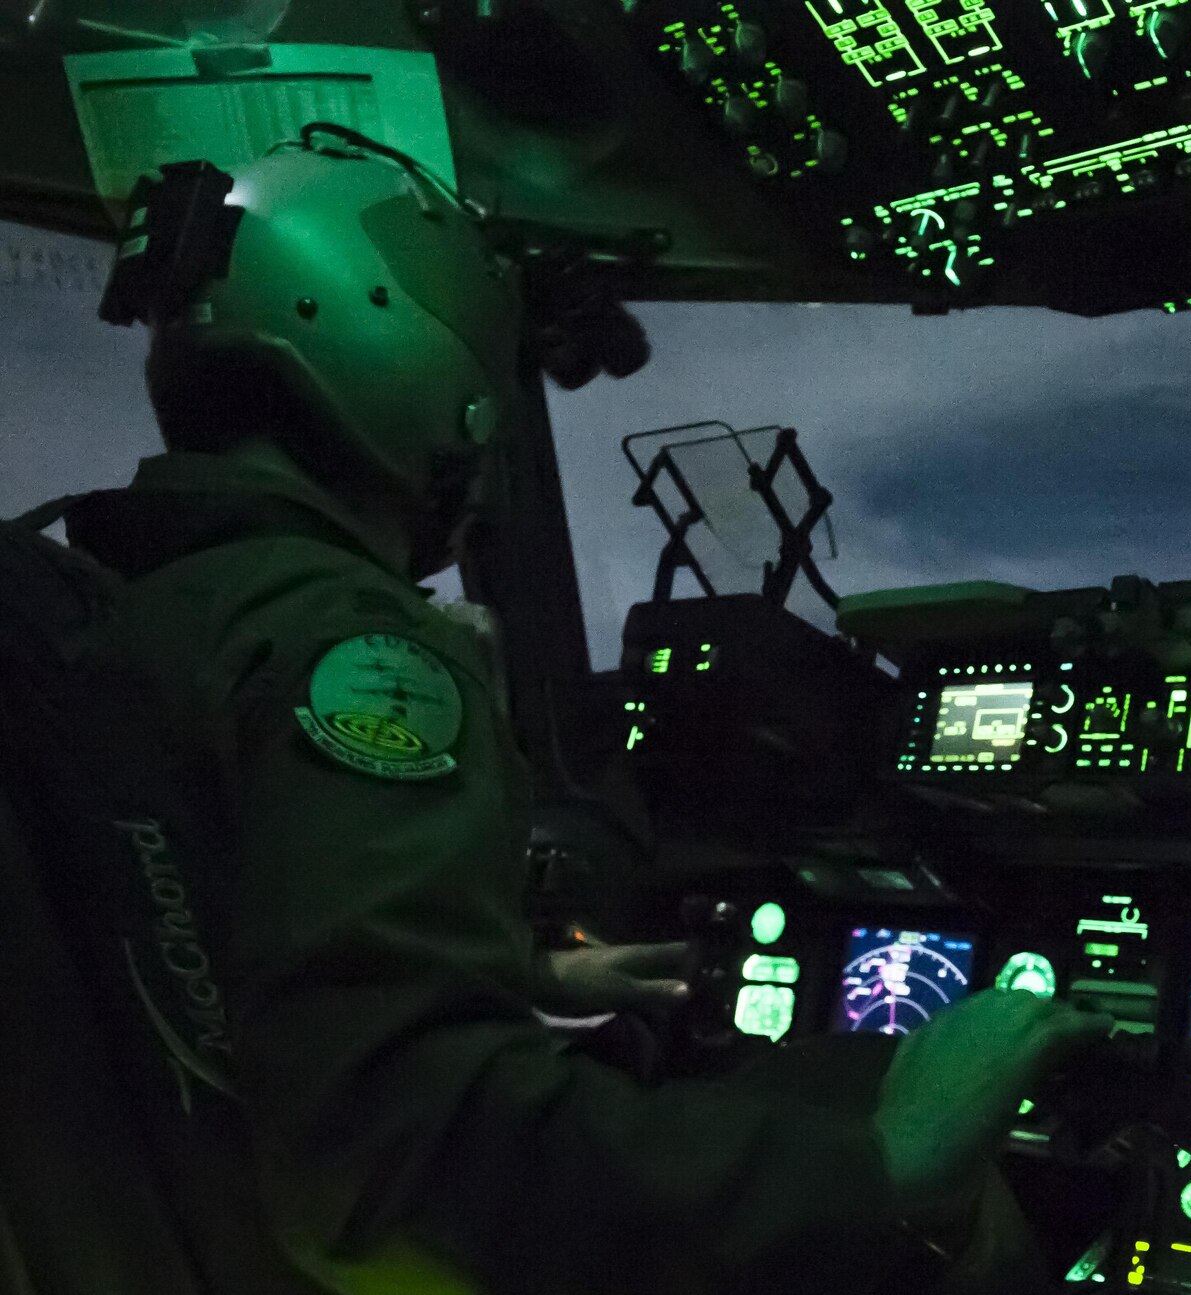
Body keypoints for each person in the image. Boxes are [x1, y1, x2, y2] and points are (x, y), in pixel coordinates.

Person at [65, 128, 1108, 1294]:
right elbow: (400, 1171)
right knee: (877, 1116)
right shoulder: (340, 643)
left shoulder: (127, 617)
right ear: (418, 365)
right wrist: (889, 1167)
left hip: (194, 1235)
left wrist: (510, 979)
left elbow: (197, 944)